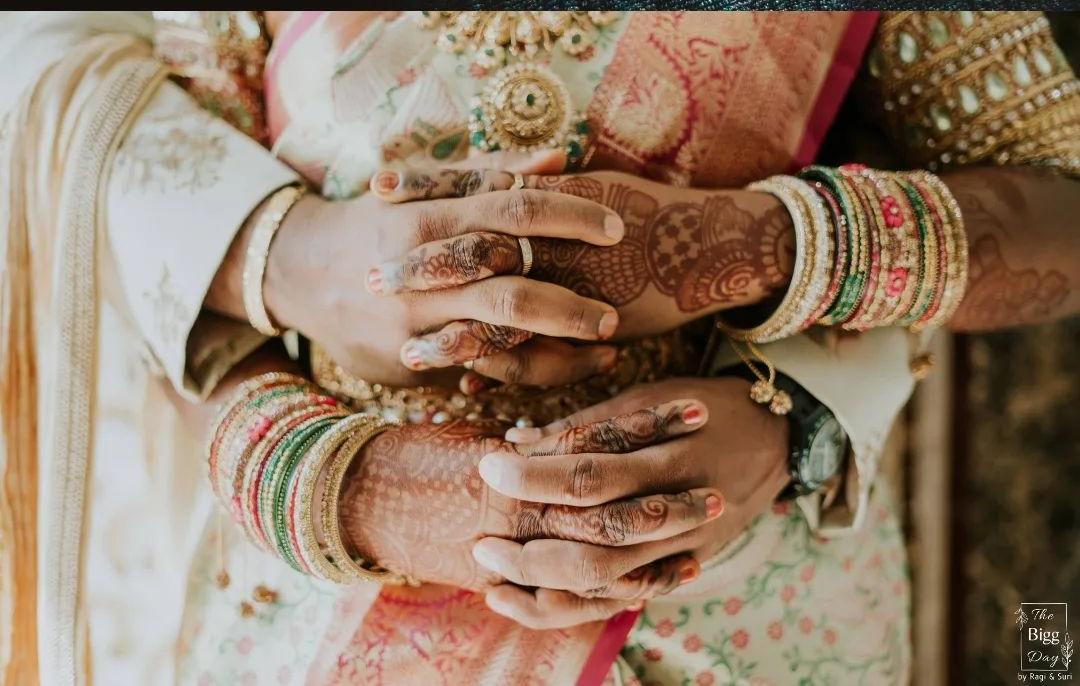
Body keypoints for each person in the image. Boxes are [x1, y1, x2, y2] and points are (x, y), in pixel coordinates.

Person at [1, 10, 1078, 685]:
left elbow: (1059, 207)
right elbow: (176, 277)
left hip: (738, 604)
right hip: (313, 613)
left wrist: (754, 250)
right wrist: (338, 485)